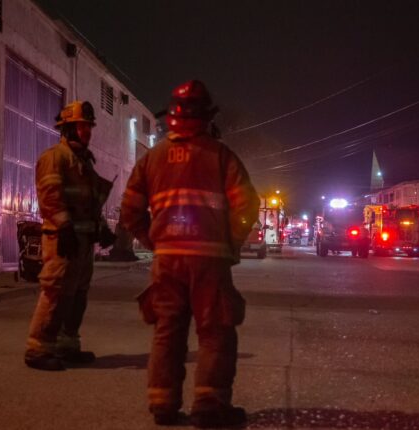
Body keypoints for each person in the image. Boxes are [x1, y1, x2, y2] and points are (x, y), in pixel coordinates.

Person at [120, 80, 259, 428]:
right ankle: (209, 406)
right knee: (215, 331)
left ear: (172, 117)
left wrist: (155, 242)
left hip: (167, 260)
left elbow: (130, 212)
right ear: (206, 117)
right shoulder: (221, 156)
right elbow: (247, 205)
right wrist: (231, 242)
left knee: (168, 329)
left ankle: (163, 405)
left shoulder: (151, 159)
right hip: (210, 260)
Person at [24, 100, 117, 371]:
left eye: (89, 126)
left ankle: (67, 345)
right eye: (82, 126)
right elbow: (50, 196)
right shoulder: (55, 157)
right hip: (62, 240)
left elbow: (90, 203)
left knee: (77, 295)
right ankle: (38, 348)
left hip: (83, 243)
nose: (88, 131)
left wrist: (103, 229)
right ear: (68, 128)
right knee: (55, 291)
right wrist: (64, 226)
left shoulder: (84, 163)